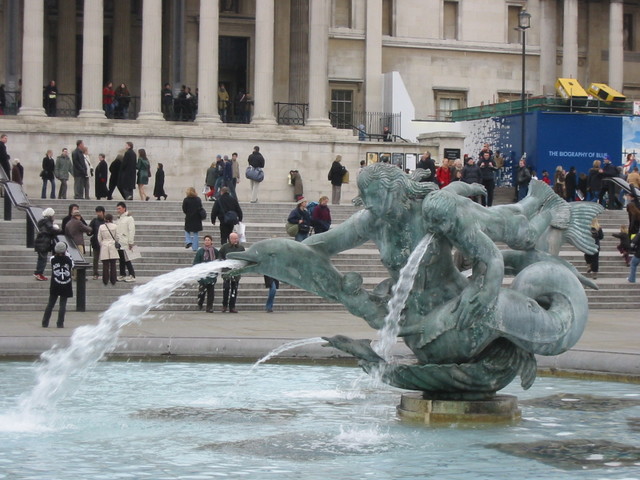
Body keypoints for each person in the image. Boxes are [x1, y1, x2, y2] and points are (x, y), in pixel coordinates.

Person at [41, 241, 73, 328]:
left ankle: (45, 322)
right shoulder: (69, 260)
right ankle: (60, 323)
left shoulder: (53, 259)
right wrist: (67, 255)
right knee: (63, 305)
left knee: (50, 304)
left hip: (55, 283)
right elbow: (72, 265)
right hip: (66, 284)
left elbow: (52, 258)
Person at [219, 232, 245, 313]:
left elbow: (244, 257)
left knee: (234, 289)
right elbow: (220, 256)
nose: (236, 240)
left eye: (237, 238)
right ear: (230, 239)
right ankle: (224, 305)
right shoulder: (224, 247)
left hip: (236, 271)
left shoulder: (241, 248)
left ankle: (232, 306)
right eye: (234, 239)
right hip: (227, 271)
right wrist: (223, 262)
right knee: (226, 288)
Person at [33, 208, 62, 281]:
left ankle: (38, 273)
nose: (54, 216)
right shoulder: (47, 221)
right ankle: (39, 273)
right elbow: (51, 229)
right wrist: (60, 231)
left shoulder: (43, 221)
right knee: (43, 259)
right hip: (43, 242)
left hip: (41, 242)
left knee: (41, 258)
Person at [193, 234, 219, 313]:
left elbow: (218, 261)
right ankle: (200, 303)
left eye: (208, 240)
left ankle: (209, 307)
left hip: (211, 275)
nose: (207, 241)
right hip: (203, 275)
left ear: (211, 241)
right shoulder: (201, 251)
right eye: (206, 240)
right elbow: (196, 262)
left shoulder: (215, 251)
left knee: (211, 293)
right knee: (202, 292)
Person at [116, 201, 136, 282]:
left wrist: (131, 242)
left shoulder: (129, 218)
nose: (118, 210)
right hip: (120, 242)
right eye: (117, 209)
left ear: (124, 208)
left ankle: (132, 275)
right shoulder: (119, 218)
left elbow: (132, 230)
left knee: (127, 259)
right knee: (121, 259)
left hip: (126, 242)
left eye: (119, 208)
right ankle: (122, 274)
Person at [97, 213, 119, 286]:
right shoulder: (115, 226)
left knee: (105, 265)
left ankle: (105, 280)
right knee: (113, 264)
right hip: (112, 245)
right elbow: (117, 237)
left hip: (104, 245)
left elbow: (99, 238)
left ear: (105, 219)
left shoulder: (101, 227)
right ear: (112, 219)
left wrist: (102, 244)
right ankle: (113, 280)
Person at [182, 187, 204, 251]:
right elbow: (200, 207)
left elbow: (184, 209)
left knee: (187, 230)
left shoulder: (186, 200)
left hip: (189, 217)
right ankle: (195, 247)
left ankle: (188, 241)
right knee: (195, 233)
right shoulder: (198, 199)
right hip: (197, 218)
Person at [89, 206, 106, 279]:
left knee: (105, 259)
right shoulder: (94, 221)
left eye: (100, 212)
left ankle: (106, 273)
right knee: (95, 259)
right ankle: (95, 273)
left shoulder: (106, 221)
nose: (98, 213)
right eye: (97, 212)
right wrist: (89, 232)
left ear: (103, 212)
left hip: (105, 243)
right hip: (96, 242)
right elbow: (90, 231)